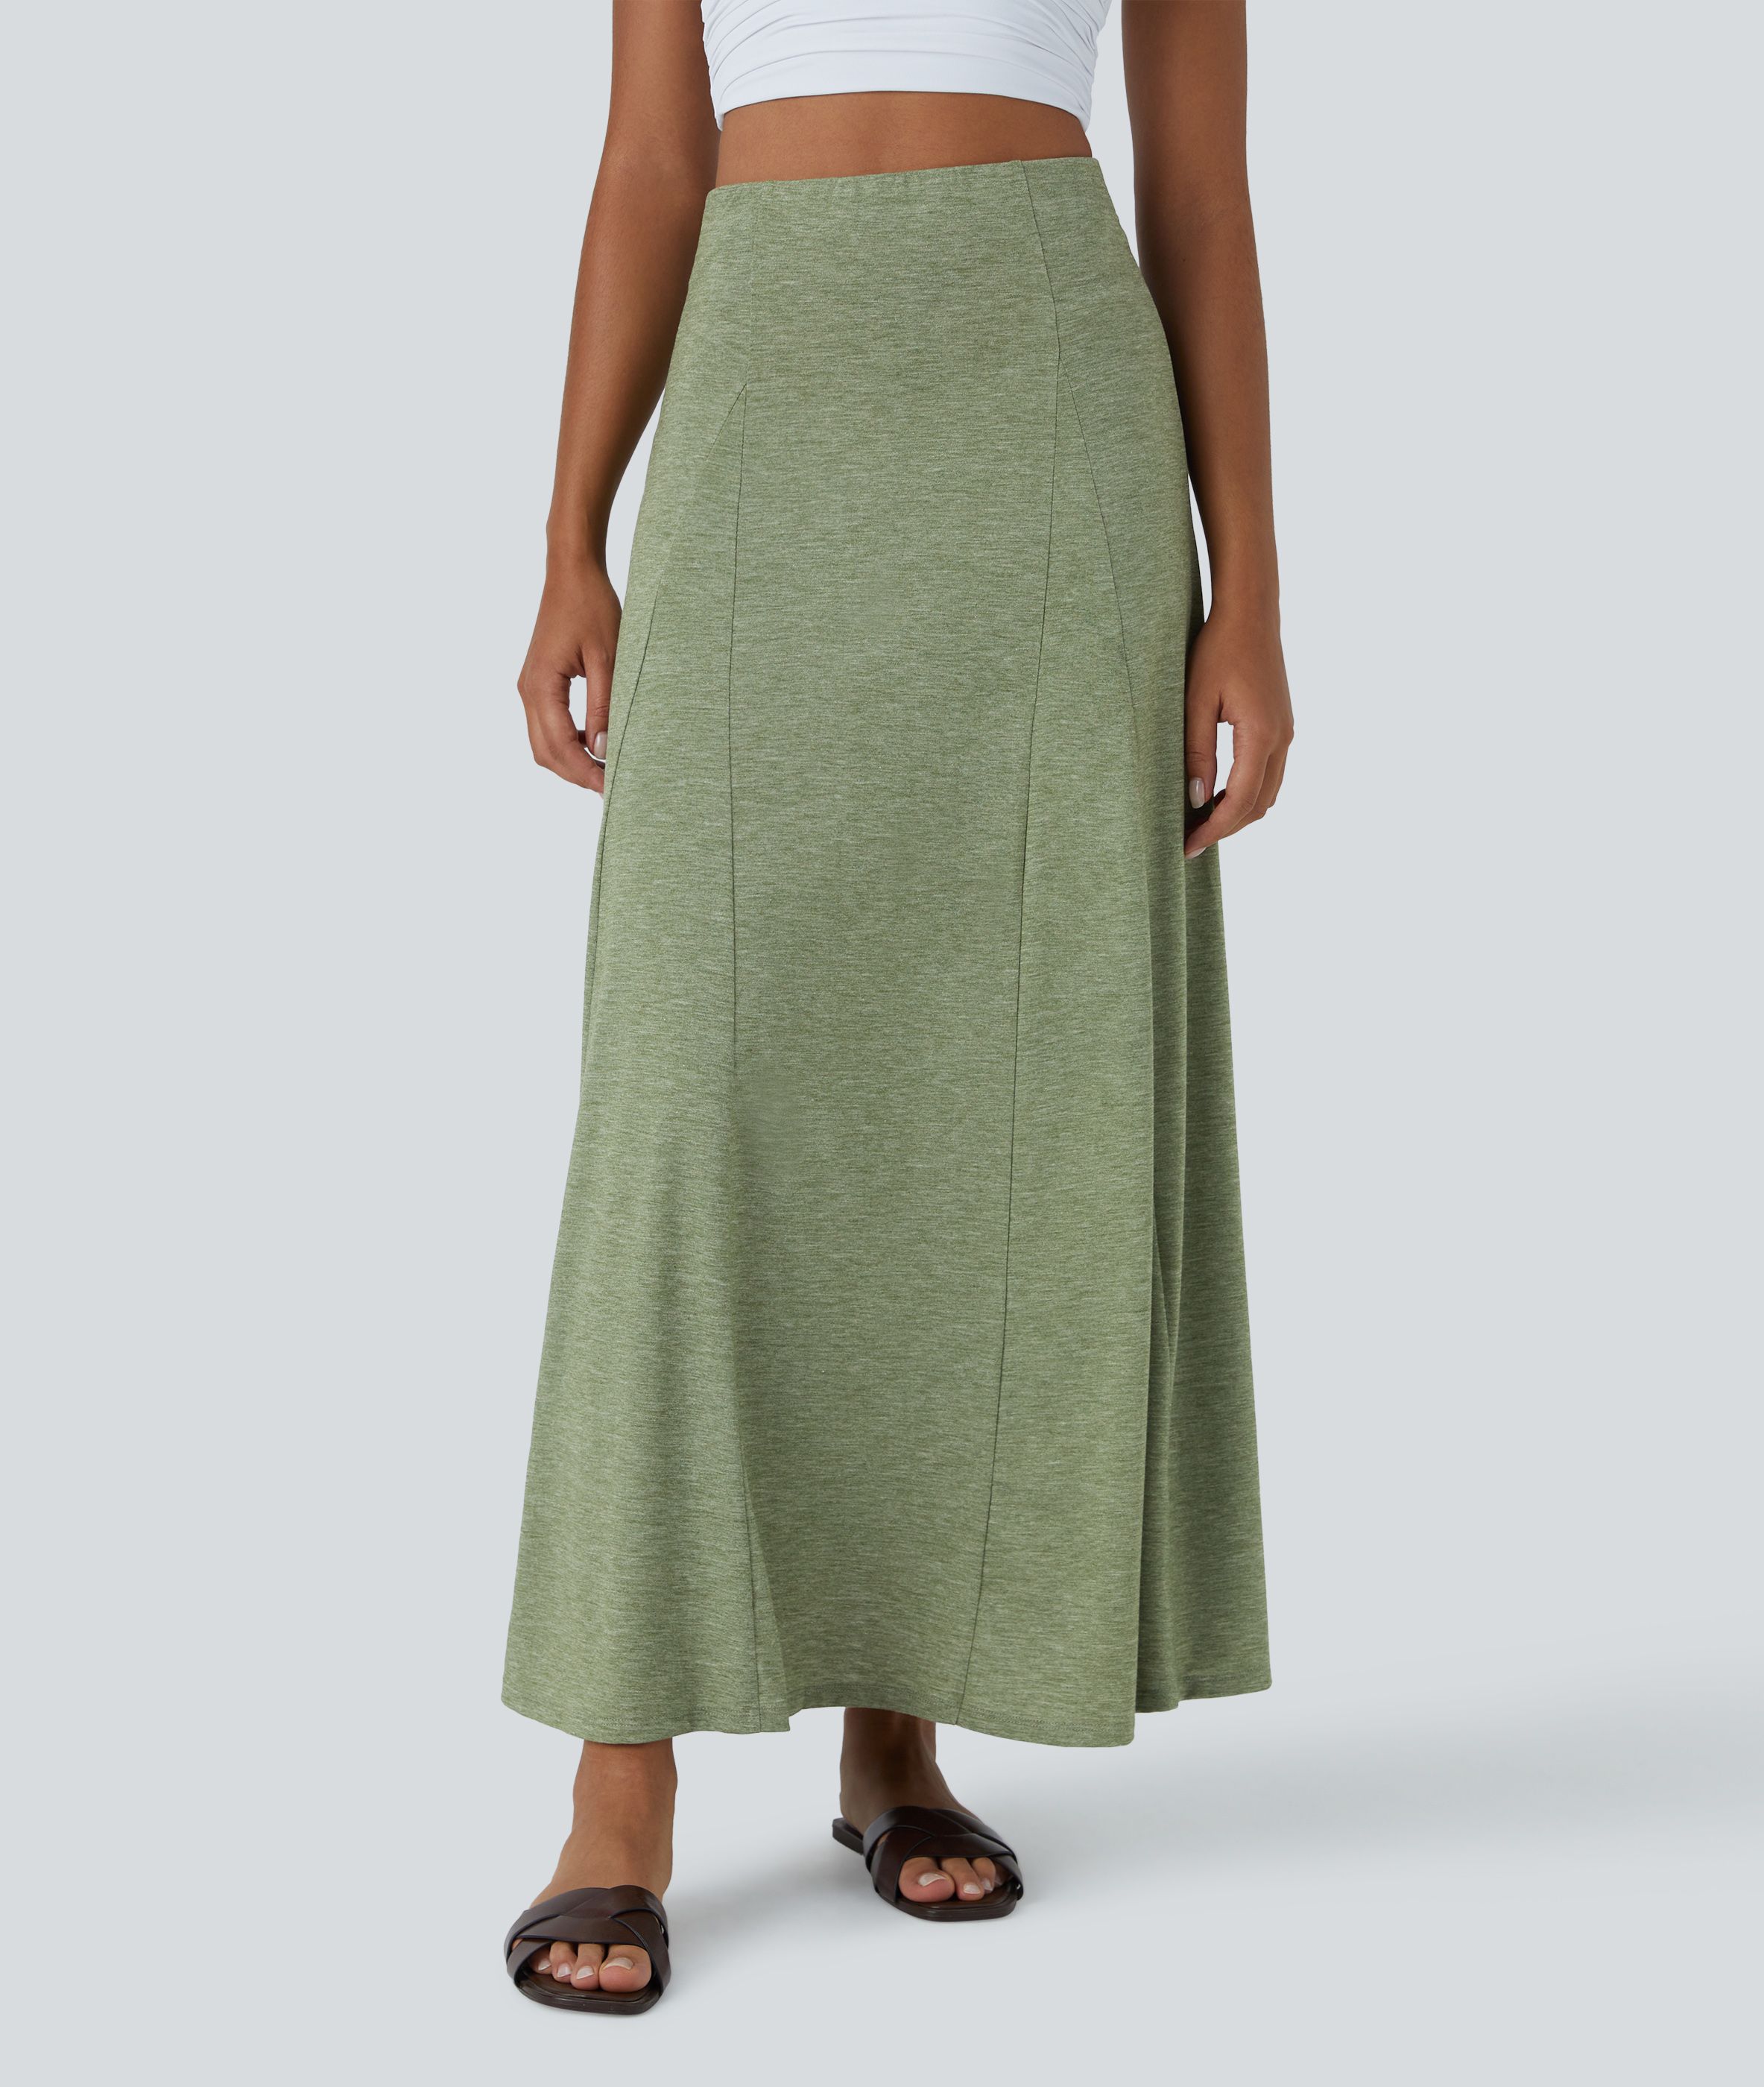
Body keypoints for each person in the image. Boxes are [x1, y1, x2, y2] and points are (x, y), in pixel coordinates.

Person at [502, 0, 1292, 2012]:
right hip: (761, 403)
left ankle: (901, 1731)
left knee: (990, 1087)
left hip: (1045, 416)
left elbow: (1202, 202)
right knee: (689, 1106)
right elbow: (652, 163)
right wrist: (570, 537)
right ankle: (618, 1773)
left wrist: (1250, 601)